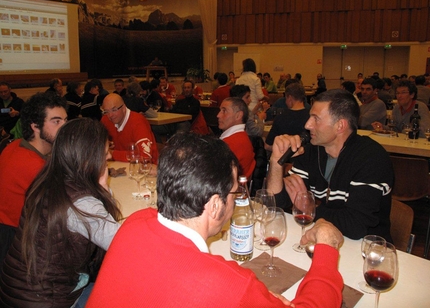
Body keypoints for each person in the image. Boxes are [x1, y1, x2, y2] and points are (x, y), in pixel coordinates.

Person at [86, 132, 344, 308]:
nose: (236, 200)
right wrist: (326, 250)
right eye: (233, 193)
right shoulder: (226, 285)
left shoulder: (135, 223)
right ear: (214, 206)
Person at [0, 118, 121, 307]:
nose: (109, 157)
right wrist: (105, 191)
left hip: (17, 289)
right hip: (46, 300)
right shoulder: (81, 204)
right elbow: (122, 244)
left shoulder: (48, 179)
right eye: (104, 153)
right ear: (88, 158)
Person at [268, 90, 393, 241]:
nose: (307, 125)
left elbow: (355, 226)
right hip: (320, 237)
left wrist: (310, 208)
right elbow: (277, 203)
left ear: (340, 125)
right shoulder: (310, 152)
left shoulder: (371, 158)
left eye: (316, 119)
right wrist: (276, 162)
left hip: (365, 250)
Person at [0, 92, 67, 269]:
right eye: (56, 121)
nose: (64, 127)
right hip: (20, 248)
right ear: (35, 126)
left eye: (65, 121)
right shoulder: (36, 167)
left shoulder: (15, 145)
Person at [100, 93, 158, 163]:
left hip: (146, 169)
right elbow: (96, 148)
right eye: (106, 111)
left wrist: (111, 153)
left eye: (114, 110)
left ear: (124, 108)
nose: (110, 115)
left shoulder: (138, 122)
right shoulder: (105, 120)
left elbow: (144, 156)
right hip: (118, 167)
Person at [218, 97, 255, 179]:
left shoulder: (232, 144)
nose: (218, 115)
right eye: (220, 110)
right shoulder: (240, 137)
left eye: (224, 111)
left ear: (238, 115)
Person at [264, 83, 310, 151]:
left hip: (286, 159)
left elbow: (267, 146)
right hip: (308, 158)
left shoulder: (280, 118)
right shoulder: (312, 117)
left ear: (290, 98)